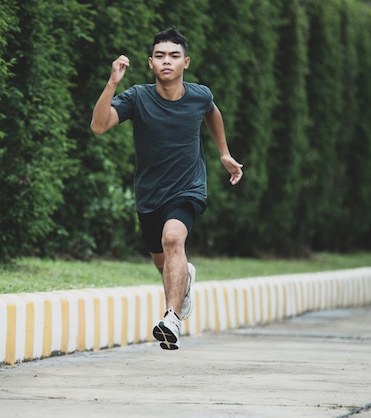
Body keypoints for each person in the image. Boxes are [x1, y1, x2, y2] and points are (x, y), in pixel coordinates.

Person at [90, 28, 243, 350]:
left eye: (174, 56)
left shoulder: (199, 95)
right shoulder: (137, 97)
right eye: (160, 56)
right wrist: (112, 83)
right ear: (150, 63)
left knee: (173, 238)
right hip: (149, 193)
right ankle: (183, 276)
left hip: (188, 188)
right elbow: (99, 126)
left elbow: (212, 112)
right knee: (162, 260)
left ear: (185, 62)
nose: (166, 61)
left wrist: (224, 153)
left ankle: (171, 317)